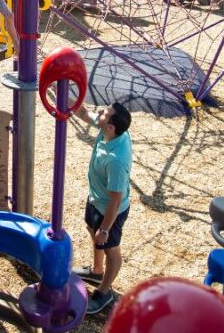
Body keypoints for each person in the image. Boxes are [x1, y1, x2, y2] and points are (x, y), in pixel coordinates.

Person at [72, 101, 133, 315]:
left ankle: (104, 292)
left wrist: (106, 228)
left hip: (111, 211)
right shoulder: (110, 131)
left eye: (104, 113)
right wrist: (68, 95)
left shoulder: (116, 160)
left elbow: (116, 201)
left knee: (111, 249)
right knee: (91, 230)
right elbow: (83, 113)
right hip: (96, 200)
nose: (100, 111)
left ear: (111, 127)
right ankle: (97, 271)